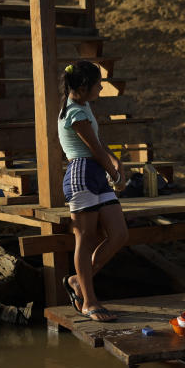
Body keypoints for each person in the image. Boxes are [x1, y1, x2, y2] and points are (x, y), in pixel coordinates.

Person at [59, 60, 129, 322]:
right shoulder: (74, 112)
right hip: (81, 174)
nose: (101, 87)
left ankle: (78, 281)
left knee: (119, 234)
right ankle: (89, 301)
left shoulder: (84, 106)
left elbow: (99, 144)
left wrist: (115, 163)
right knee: (85, 238)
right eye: (98, 83)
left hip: (96, 173)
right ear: (85, 85)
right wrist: (113, 172)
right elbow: (94, 149)